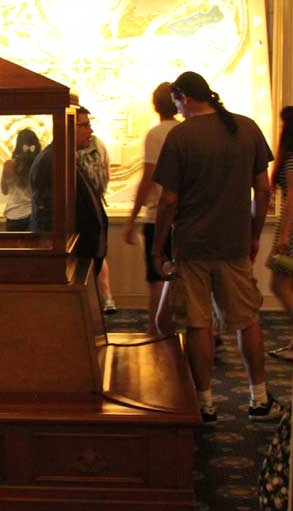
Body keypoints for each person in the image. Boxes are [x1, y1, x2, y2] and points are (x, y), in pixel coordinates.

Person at [151, 71, 286, 424]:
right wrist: (254, 232)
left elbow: (168, 200)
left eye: (177, 102)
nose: (177, 110)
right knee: (247, 320)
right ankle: (259, 398)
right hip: (234, 242)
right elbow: (264, 190)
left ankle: (205, 402)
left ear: (183, 97)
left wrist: (159, 246)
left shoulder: (181, 136)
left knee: (197, 324)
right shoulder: (247, 128)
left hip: (192, 245)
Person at [125, 82, 181, 333]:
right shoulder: (184, 130)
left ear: (156, 105)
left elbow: (148, 178)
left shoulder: (156, 134)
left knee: (156, 274)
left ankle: (155, 326)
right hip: (184, 217)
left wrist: (132, 217)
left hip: (157, 215)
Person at [30, 106, 107, 275]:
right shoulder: (52, 160)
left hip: (79, 255)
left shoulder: (67, 157)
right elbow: (49, 216)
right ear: (69, 126)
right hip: (67, 258)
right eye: (85, 125)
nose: (91, 131)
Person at [266, 106, 293, 361]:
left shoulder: (291, 159)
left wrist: (285, 235)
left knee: (280, 284)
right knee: (290, 286)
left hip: (292, 228)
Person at [76, 115, 117, 312]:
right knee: (97, 253)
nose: (89, 130)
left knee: (87, 256)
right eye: (84, 125)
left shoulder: (69, 150)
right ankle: (107, 298)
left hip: (81, 208)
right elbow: (107, 173)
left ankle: (90, 302)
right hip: (95, 201)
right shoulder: (99, 145)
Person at [0, 129, 41, 231]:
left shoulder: (8, 165)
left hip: (12, 215)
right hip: (32, 215)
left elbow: (4, 191)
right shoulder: (38, 165)